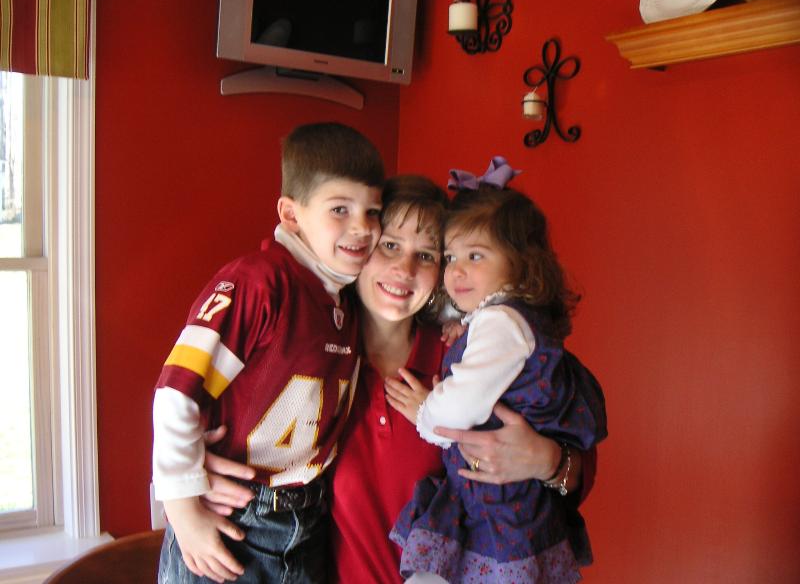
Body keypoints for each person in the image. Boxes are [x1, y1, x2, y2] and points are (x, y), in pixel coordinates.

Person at [200, 174, 599, 583]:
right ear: (361, 247)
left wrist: (550, 462)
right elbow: (223, 424)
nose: (404, 269)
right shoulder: (316, 359)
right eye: (389, 246)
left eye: (426, 255)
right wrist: (194, 477)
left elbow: (576, 459)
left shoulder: (474, 357)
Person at [151, 122, 385, 584]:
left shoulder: (346, 299)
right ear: (291, 214)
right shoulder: (259, 283)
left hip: (307, 516)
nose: (363, 227)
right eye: (340, 209)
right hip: (237, 515)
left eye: (373, 211)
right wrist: (182, 509)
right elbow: (176, 392)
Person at [385, 157, 608, 583]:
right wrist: (463, 322)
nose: (456, 269)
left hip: (498, 508)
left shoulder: (499, 323)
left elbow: (462, 405)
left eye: (474, 255)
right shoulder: (494, 321)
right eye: (451, 256)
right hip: (496, 507)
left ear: (520, 264)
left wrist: (426, 413)